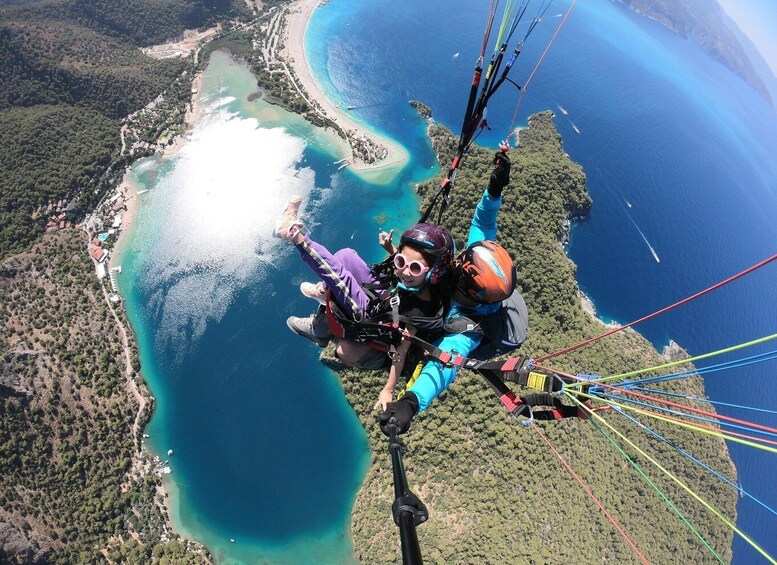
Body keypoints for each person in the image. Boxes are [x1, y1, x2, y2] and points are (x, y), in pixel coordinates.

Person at [378, 151, 590, 434]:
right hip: (501, 306)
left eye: (463, 267)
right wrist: (495, 188)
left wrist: (411, 402)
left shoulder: (466, 327)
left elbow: (444, 366)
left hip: (492, 332)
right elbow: (482, 223)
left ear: (470, 288)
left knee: (426, 336)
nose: (459, 263)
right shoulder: (477, 259)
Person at [274, 196, 454, 410]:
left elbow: (401, 351)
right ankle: (325, 304)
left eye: (414, 268)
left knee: (339, 278)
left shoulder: (420, 310)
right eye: (401, 262)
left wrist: (389, 389)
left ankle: (291, 232)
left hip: (379, 326)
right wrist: (391, 250)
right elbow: (410, 268)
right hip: (387, 303)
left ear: (433, 273)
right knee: (346, 255)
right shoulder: (421, 280)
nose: (405, 271)